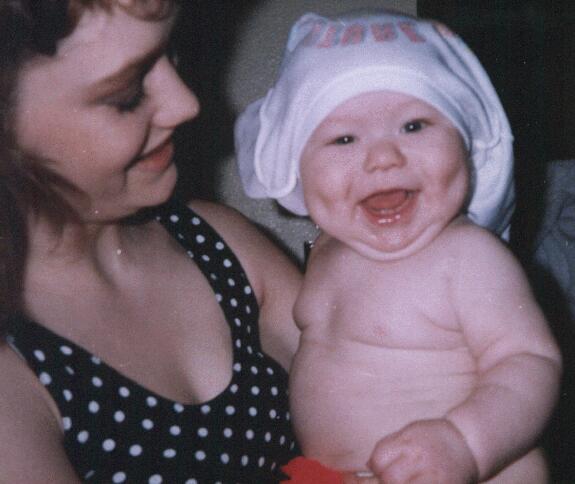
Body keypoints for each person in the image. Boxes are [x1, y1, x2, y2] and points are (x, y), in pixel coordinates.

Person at [235, 10, 562, 483]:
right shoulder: (327, 251)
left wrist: (465, 443)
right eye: (343, 138)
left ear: (465, 143)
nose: (384, 157)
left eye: (414, 126)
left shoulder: (468, 257)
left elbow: (529, 361)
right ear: (297, 167)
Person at [0, 1, 305, 482]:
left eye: (172, 54)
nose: (186, 103)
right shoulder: (12, 366)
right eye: (125, 93)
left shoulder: (223, 246)